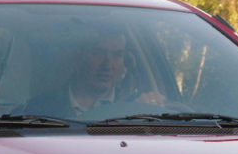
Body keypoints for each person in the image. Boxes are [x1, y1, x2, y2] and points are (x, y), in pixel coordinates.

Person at [24, 27, 164, 118]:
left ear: (124, 63)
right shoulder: (39, 110)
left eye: (117, 55)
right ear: (79, 58)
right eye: (98, 53)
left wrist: (154, 106)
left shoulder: (136, 108)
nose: (107, 65)